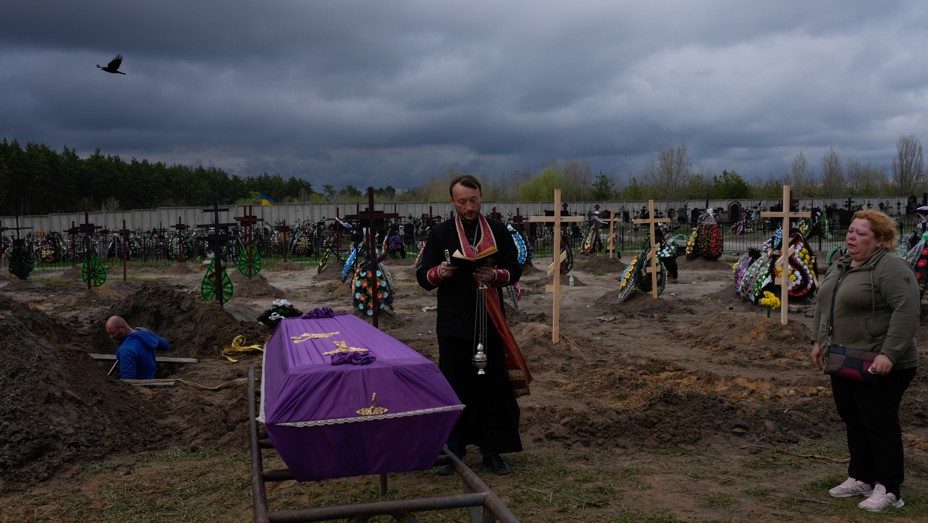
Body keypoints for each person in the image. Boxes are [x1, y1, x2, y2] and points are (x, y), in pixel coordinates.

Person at [810, 209, 919, 513]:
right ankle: (861, 476)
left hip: (882, 361)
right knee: (853, 417)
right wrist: (817, 341)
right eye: (850, 231)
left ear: (881, 241)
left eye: (860, 233)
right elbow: (824, 304)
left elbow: (907, 311)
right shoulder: (841, 265)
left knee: (878, 422)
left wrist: (889, 353)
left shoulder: (892, 268)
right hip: (845, 358)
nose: (851, 237)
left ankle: (889, 488)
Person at [416, 174, 524, 476]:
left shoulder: (499, 231)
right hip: (453, 321)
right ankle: (453, 448)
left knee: (490, 385)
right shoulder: (440, 233)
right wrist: (442, 271)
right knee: (454, 383)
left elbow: (515, 269)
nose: (468, 207)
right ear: (453, 201)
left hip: (489, 317)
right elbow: (423, 278)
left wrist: (495, 276)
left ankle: (492, 450)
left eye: (473, 200)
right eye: (462, 201)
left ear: (481, 197)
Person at [105, 316, 170, 380]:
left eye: (113, 333)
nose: (111, 336)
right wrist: (150, 334)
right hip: (151, 384)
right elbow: (165, 345)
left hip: (139, 388)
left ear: (122, 328)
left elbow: (127, 382)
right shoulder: (145, 334)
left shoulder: (126, 350)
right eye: (109, 334)